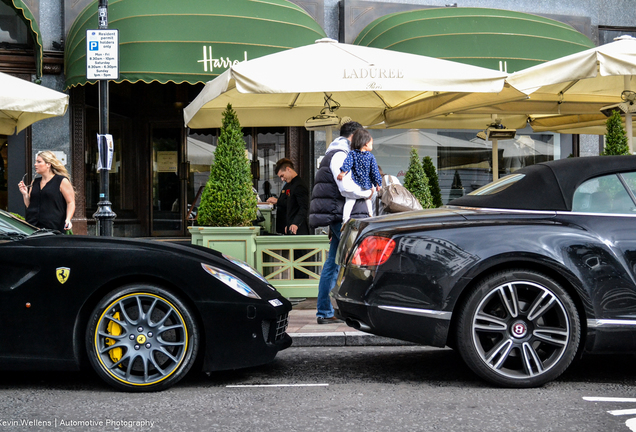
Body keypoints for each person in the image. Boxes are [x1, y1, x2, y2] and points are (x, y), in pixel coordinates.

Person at [309, 121, 372, 324]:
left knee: (333, 265)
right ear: (353, 136)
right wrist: (368, 192)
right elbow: (345, 188)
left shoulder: (337, 153)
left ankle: (325, 311)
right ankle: (354, 308)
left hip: (337, 216)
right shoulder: (340, 155)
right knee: (359, 263)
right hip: (341, 217)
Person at [18, 151, 75, 232]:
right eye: (35, 162)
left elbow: (71, 202)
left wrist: (68, 219)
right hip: (33, 226)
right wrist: (25, 194)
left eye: (39, 162)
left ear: (48, 164)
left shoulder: (61, 181)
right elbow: (30, 206)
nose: (35, 164)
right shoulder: (35, 182)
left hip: (54, 227)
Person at [337, 128, 382, 223]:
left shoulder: (352, 154)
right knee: (368, 199)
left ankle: (345, 219)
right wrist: (378, 183)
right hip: (366, 183)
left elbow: (347, 164)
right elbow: (374, 171)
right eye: (371, 144)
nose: (371, 146)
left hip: (355, 182)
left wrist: (343, 172)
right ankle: (370, 215)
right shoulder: (370, 157)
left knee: (350, 200)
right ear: (366, 143)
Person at [274, 158, 309, 235]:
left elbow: (303, 207)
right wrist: (289, 224)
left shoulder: (299, 185)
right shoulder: (291, 184)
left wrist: (295, 223)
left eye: (282, 176)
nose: (282, 179)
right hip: (291, 227)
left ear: (288, 169)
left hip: (298, 229)